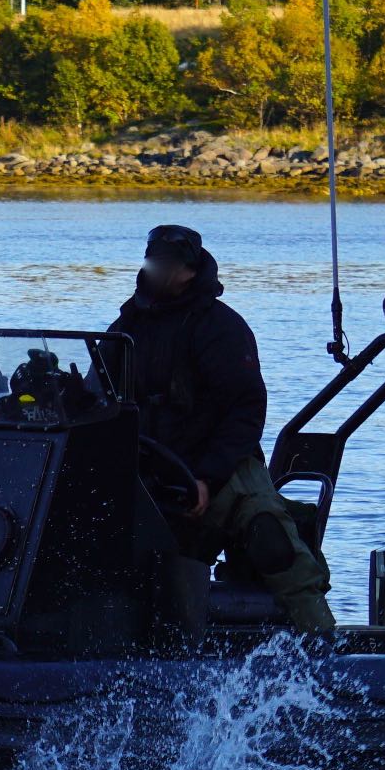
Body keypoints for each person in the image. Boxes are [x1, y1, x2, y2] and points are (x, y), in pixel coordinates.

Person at [108, 223, 337, 636]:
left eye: (170, 265)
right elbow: (99, 393)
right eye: (155, 262)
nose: (161, 272)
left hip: (224, 463)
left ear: (191, 271)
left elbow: (246, 410)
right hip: (150, 467)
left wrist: (207, 476)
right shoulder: (128, 325)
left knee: (273, 541)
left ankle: (327, 651)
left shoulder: (222, 327)